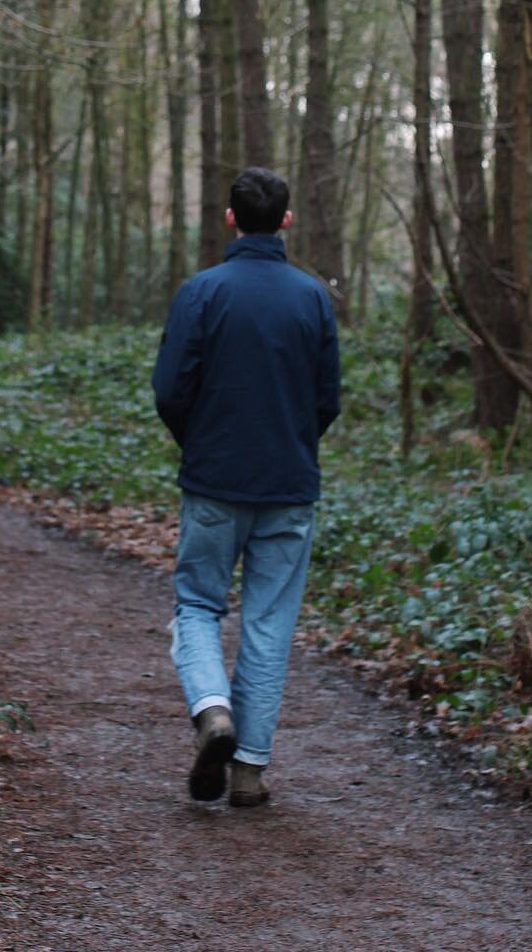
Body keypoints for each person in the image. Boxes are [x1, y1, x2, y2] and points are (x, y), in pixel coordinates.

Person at [151, 166, 341, 807]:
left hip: (214, 480)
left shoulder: (200, 292)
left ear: (230, 218)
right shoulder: (313, 298)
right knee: (269, 622)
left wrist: (200, 441)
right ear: (286, 220)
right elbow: (326, 399)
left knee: (199, 605)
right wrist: (292, 441)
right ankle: (249, 773)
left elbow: (170, 389)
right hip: (289, 484)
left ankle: (212, 712)